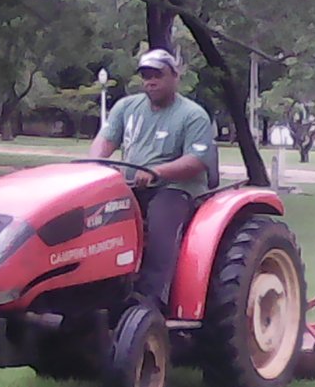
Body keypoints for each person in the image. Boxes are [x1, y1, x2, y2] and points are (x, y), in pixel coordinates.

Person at [87, 48, 218, 312]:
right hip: (132, 186)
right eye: (146, 76)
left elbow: (196, 161)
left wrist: (158, 172)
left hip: (175, 188)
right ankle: (99, 289)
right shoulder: (127, 107)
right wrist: (95, 165)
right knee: (95, 219)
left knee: (161, 222)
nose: (150, 81)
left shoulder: (192, 115)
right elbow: (106, 139)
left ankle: (151, 300)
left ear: (175, 76)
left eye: (157, 75)